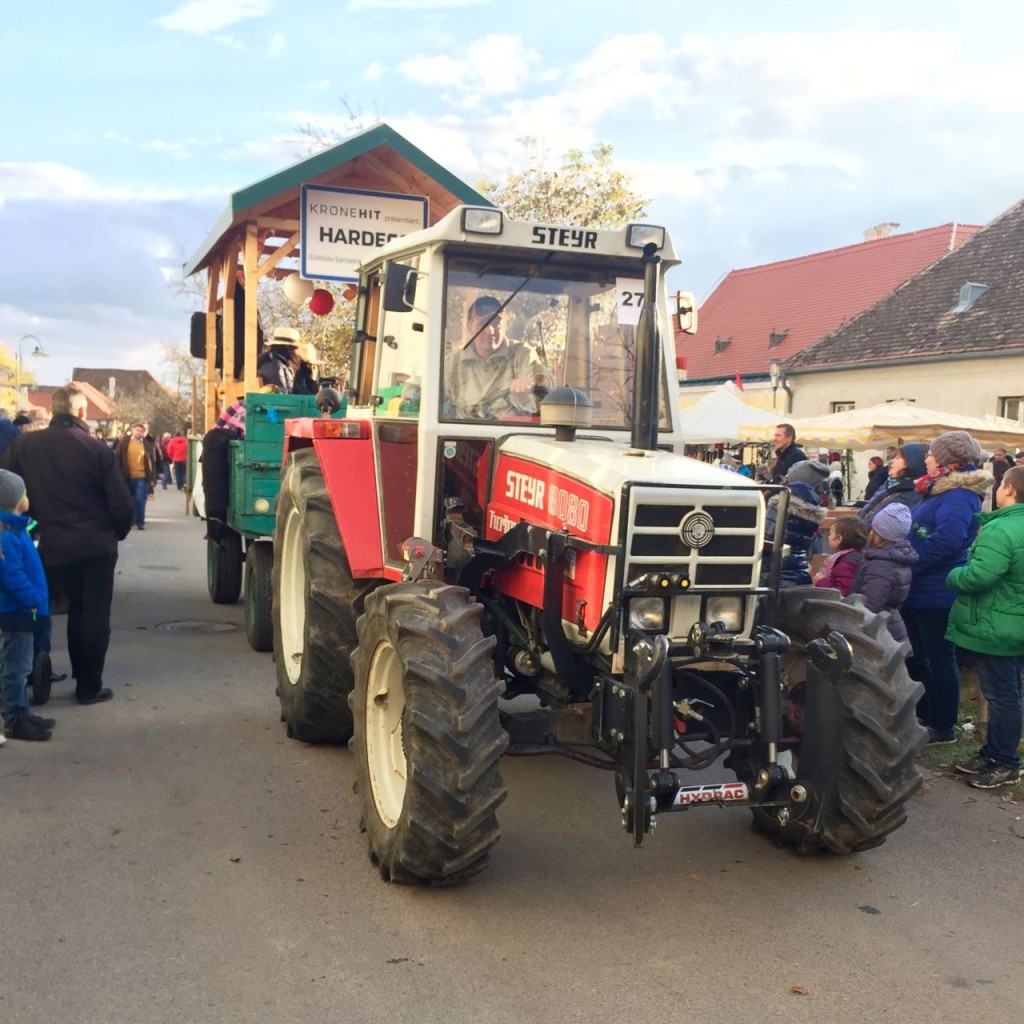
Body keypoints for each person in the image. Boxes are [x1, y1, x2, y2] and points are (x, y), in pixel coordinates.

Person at [1, 387, 134, 705]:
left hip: (49, 544)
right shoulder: (95, 448)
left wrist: (23, 523)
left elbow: (6, 487)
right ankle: (88, 687)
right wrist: (117, 531)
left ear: (54, 410)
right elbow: (121, 503)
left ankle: (35, 671)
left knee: (40, 608)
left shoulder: (24, 445)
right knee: (92, 615)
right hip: (96, 546)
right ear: (81, 412)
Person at [902, 430, 991, 745]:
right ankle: (923, 716)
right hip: (921, 588)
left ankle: (942, 725)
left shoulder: (958, 495)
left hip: (936, 590)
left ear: (945, 460)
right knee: (920, 655)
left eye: (930, 453)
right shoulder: (940, 490)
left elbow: (949, 540)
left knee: (940, 658)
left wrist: (913, 563)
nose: (925, 457)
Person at [944, 465, 1024, 789]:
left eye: (1001, 484)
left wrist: (953, 575)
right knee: (1009, 692)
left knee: (1002, 696)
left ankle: (1004, 761)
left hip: (997, 626)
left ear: (1008, 489)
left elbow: (980, 576)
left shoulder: (1001, 530)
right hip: (1012, 622)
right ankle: (992, 753)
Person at [0, 470, 57, 741]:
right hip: (19, 610)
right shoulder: (6, 534)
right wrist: (33, 598)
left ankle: (22, 711)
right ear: (12, 500)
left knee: (20, 665)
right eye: (24, 494)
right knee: (16, 667)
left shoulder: (17, 527)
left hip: (25, 609)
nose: (28, 498)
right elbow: (11, 576)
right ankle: (14, 718)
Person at [445, 295, 550, 419]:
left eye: (496, 323)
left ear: (505, 325)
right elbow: (431, 396)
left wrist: (531, 384)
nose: (490, 330)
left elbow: (544, 383)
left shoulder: (522, 354)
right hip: (463, 433)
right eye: (483, 324)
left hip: (507, 433)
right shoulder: (453, 363)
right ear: (470, 326)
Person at [850, 501, 918, 644]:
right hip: (891, 623)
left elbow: (870, 606)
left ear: (879, 535)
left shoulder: (881, 566)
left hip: (879, 633)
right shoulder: (896, 559)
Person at [761, 478, 826, 588]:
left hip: (772, 574)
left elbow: (766, 539)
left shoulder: (778, 512)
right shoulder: (808, 522)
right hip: (797, 572)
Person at [857, 443, 928, 526]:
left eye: (898, 458)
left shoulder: (913, 495)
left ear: (912, 463)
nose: (891, 461)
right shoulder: (890, 485)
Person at [114, 421, 157, 530]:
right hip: (127, 475)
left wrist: (152, 477)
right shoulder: (125, 442)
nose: (139, 432)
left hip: (142, 476)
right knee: (129, 499)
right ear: (133, 430)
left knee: (140, 499)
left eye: (141, 431)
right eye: (137, 430)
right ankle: (131, 519)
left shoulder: (146, 445)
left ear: (144, 433)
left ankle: (140, 521)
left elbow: (152, 461)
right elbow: (117, 457)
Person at [812, 515, 868, 596]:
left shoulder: (846, 564)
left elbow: (841, 594)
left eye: (830, 534)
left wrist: (821, 582)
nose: (828, 537)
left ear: (839, 538)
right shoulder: (857, 555)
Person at [257, 327, 305, 393]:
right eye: (295, 349)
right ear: (289, 349)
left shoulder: (281, 364)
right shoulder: (275, 365)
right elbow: (281, 396)